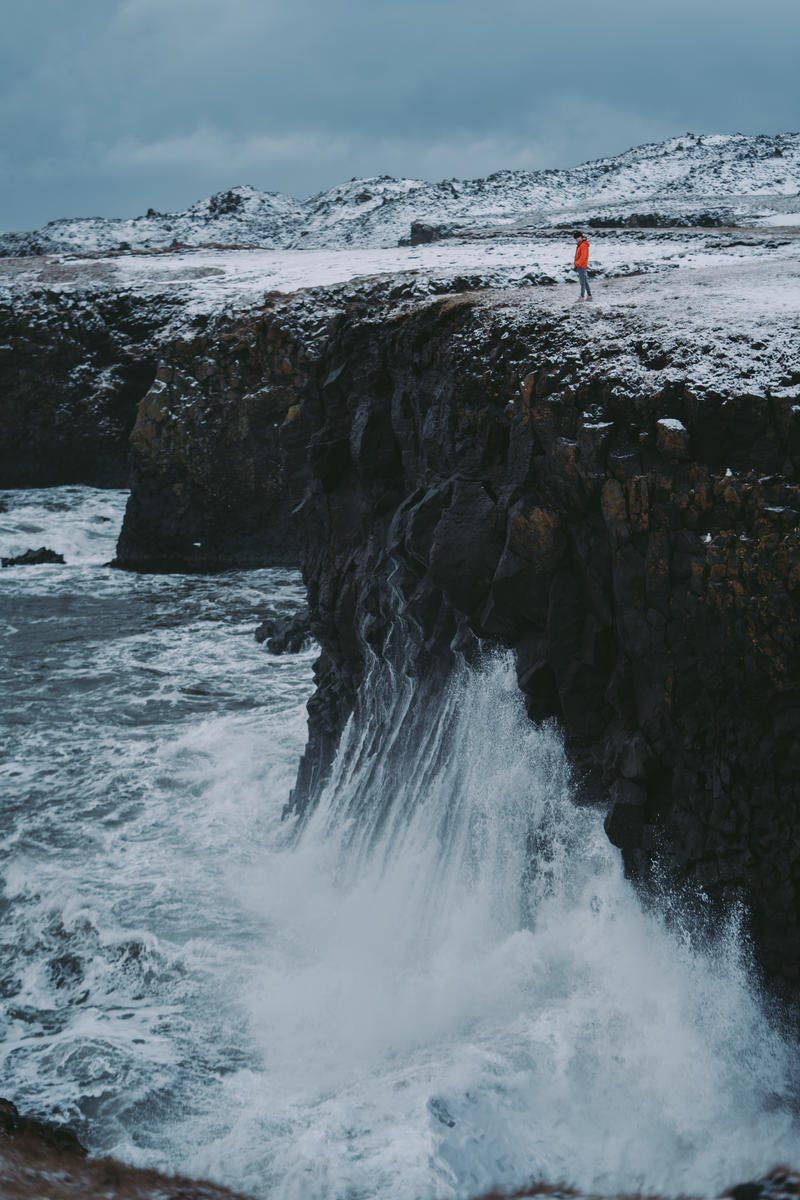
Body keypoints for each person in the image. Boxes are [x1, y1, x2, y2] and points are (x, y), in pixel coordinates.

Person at [573, 231, 592, 300]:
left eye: (578, 238)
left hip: (581, 266)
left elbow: (583, 257)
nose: (577, 239)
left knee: (582, 282)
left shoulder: (583, 245)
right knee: (585, 281)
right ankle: (589, 296)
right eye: (576, 238)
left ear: (581, 237)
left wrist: (578, 264)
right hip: (581, 265)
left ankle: (582, 296)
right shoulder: (580, 245)